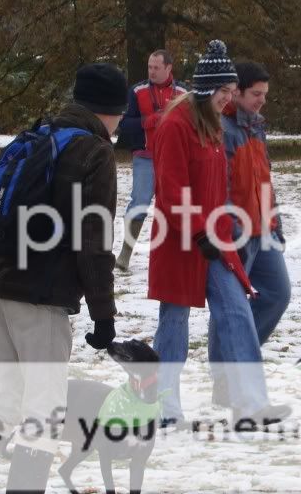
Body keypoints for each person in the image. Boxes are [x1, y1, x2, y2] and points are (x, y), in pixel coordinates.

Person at [0, 63, 127, 494]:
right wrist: (103, 313)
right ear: (113, 112)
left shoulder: (42, 132)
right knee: (44, 407)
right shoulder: (93, 151)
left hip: (1, 286)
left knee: (6, 399)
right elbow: (93, 240)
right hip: (42, 295)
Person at [148, 40, 291, 431]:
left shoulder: (211, 124)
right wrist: (200, 232)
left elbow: (218, 190)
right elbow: (172, 189)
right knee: (174, 321)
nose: (230, 99)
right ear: (211, 89)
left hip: (214, 241)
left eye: (232, 92)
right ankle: (164, 406)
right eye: (226, 92)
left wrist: (224, 233)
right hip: (181, 241)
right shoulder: (176, 125)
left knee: (237, 312)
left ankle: (250, 403)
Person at [209, 61, 291, 406]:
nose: (262, 101)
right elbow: (221, 185)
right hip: (238, 233)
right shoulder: (223, 129)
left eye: (265, 95)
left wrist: (276, 223)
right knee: (230, 310)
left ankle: (235, 366)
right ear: (237, 92)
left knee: (277, 293)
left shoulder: (257, 126)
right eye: (256, 94)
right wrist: (233, 228)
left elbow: (265, 179)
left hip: (265, 231)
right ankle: (225, 380)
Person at [114, 49, 187, 271]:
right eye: (149, 67)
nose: (151, 71)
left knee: (176, 206)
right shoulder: (137, 91)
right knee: (139, 203)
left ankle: (175, 255)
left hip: (173, 159)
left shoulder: (183, 92)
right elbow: (123, 125)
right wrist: (149, 120)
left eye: (156, 67)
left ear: (168, 68)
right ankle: (125, 255)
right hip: (145, 157)